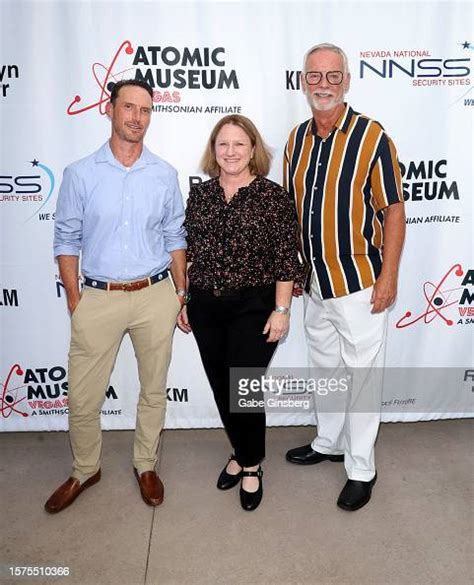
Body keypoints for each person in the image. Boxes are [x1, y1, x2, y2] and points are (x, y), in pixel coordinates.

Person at [45, 79, 187, 513]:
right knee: (85, 395)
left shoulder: (164, 174)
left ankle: (146, 464)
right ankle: (85, 468)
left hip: (154, 295)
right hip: (98, 297)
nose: (137, 118)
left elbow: (175, 235)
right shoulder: (80, 173)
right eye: (129, 108)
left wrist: (181, 294)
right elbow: (66, 239)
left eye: (145, 110)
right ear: (110, 109)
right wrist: (75, 299)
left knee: (153, 389)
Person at [284, 43, 406, 511]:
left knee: (362, 378)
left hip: (359, 284)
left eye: (333, 76)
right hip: (315, 285)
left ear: (347, 81)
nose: (323, 85)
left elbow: (393, 209)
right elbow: (296, 214)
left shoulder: (371, 136)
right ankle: (329, 441)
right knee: (327, 371)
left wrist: (389, 275)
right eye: (314, 76)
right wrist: (294, 269)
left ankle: (361, 469)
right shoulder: (296, 140)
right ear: (302, 81)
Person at [178, 115, 300, 511]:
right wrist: (183, 300)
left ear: (253, 150)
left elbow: (286, 259)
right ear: (214, 150)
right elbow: (191, 253)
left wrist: (281, 310)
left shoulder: (272, 196)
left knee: (242, 387)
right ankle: (240, 451)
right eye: (223, 145)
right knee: (221, 385)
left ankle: (250, 465)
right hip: (206, 305)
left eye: (239, 144)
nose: (230, 152)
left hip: (254, 305)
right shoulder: (201, 195)